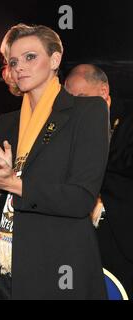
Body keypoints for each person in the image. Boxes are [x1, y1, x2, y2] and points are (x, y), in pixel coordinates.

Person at [0, 24, 109, 299]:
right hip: (9, 266)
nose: (19, 66)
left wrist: (14, 183)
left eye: (30, 57)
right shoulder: (8, 123)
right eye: (13, 61)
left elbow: (80, 198)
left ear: (55, 60)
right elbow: (0, 211)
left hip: (60, 266)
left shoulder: (87, 111)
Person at [65, 64, 133, 298]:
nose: (76, 107)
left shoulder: (127, 123)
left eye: (81, 98)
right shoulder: (70, 133)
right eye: (71, 101)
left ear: (104, 92)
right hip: (87, 245)